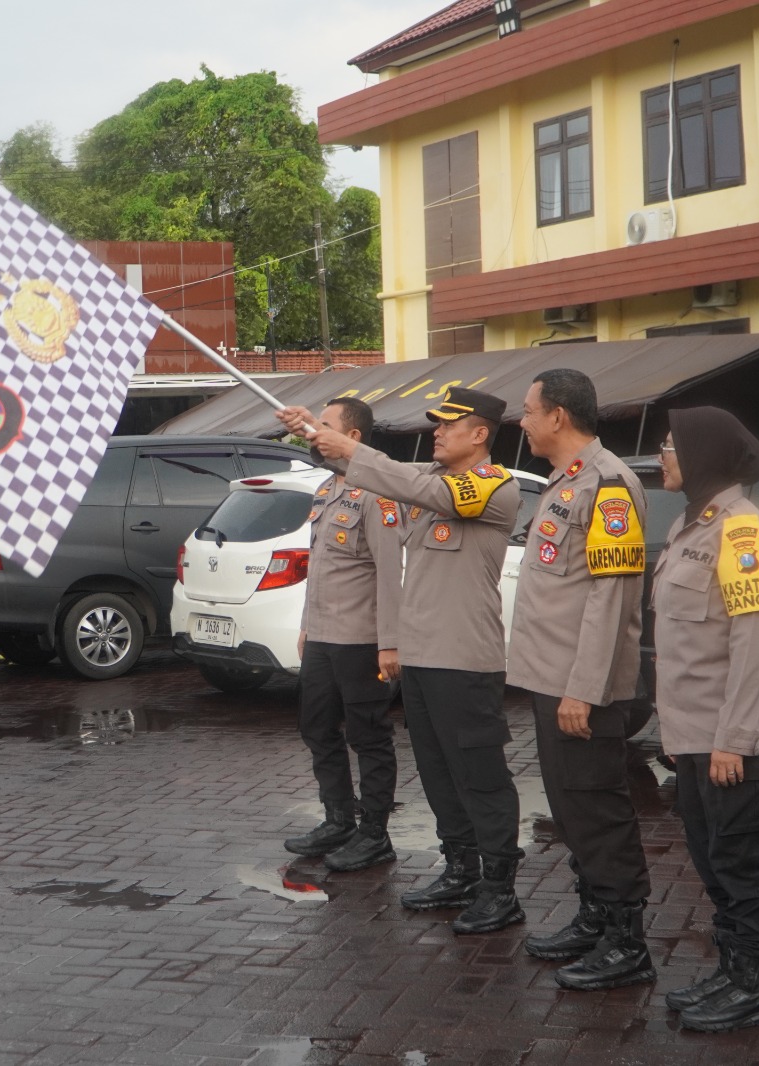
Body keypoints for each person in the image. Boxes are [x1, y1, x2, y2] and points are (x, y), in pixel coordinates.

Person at [279, 386, 525, 935]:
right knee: (438, 772)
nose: (436, 431)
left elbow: (398, 478)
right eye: (435, 424)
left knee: (480, 777)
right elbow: (379, 477)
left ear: (480, 434)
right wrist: (317, 436)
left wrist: (341, 442)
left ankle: (500, 886)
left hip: (465, 658)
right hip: (423, 658)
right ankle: (460, 867)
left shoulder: (492, 486)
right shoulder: (431, 485)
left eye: (449, 425)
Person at [651, 407, 759, 1032]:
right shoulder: (696, 524)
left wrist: (733, 741)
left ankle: (753, 988)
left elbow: (751, 642)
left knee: (742, 861)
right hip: (695, 733)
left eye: (670, 447)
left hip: (737, 735)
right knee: (712, 860)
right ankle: (730, 968)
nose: (663, 456)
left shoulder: (742, 532)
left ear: (703, 454)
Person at [509, 368, 655, 990]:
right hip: (554, 678)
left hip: (583, 687)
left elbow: (610, 599)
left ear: (559, 416)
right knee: (571, 806)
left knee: (597, 809)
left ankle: (627, 940)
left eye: (529, 410)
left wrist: (583, 689)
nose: (522, 420)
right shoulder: (564, 482)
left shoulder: (609, 485)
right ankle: (595, 915)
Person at [282, 397, 404, 872]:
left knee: (368, 736)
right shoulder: (327, 489)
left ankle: (375, 833)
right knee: (315, 727)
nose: (315, 434)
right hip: (324, 638)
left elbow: (390, 573)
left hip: (361, 641)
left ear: (353, 438)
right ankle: (338, 820)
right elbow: (322, 570)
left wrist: (390, 643)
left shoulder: (379, 492)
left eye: (324, 426)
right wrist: (307, 627)